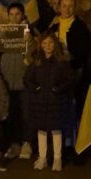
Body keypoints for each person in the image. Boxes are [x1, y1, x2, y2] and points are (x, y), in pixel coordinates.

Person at [24, 33, 75, 171]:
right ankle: (42, 157)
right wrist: (36, 89)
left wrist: (58, 89)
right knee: (42, 130)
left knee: (56, 130)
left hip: (56, 101)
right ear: (41, 45)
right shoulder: (37, 61)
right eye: (45, 43)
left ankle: (57, 158)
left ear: (55, 44)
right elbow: (28, 79)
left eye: (51, 43)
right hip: (40, 101)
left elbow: (69, 79)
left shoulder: (61, 62)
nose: (48, 46)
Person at [0, 2, 33, 160]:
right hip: (7, 80)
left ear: (23, 15)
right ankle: (14, 144)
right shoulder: (2, 32)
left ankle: (26, 143)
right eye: (11, 14)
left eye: (17, 14)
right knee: (10, 114)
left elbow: (34, 56)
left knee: (25, 114)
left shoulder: (29, 33)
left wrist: (29, 41)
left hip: (23, 80)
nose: (14, 17)